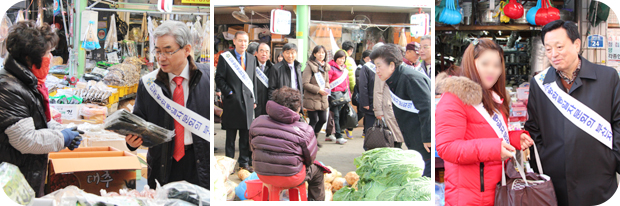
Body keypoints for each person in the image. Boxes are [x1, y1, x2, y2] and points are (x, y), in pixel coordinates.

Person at [524, 20, 620, 206]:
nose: (553, 54)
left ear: (576, 44)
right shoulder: (540, 83)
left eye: (559, 46)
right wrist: (545, 162)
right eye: (548, 49)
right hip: (556, 179)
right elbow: (533, 128)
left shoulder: (608, 77)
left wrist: (613, 160)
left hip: (599, 177)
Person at [435, 39, 534, 205]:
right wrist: (495, 149)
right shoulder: (453, 98)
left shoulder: (493, 96)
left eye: (497, 65)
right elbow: (447, 148)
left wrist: (514, 139)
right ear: (471, 63)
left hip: (496, 191)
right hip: (469, 196)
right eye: (485, 63)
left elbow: (486, 132)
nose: (492, 70)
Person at [124, 21, 211, 189]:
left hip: (199, 163)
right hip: (162, 165)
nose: (161, 58)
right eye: (157, 51)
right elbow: (138, 122)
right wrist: (131, 141)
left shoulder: (206, 78)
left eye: (168, 51)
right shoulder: (148, 84)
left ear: (187, 50)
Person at [0, 21, 82, 197]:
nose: (50, 58)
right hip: (12, 184)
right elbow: (25, 139)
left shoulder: (25, 82)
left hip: (25, 176)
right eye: (47, 53)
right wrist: (62, 138)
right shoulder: (8, 87)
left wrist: (62, 131)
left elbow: (36, 123)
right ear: (29, 58)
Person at [249, 87, 325, 201]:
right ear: (298, 107)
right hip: (291, 177)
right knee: (318, 171)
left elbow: (252, 148)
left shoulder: (257, 122)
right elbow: (310, 159)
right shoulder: (305, 129)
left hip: (262, 173)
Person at [371, 43, 433, 177]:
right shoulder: (394, 79)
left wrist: (428, 137)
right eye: (375, 66)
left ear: (392, 65)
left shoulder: (410, 78)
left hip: (424, 140)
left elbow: (426, 107)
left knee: (426, 174)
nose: (377, 70)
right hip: (413, 137)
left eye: (379, 66)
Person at [215, 31, 257, 172]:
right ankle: (229, 163)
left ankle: (244, 162)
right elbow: (219, 78)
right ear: (234, 41)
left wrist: (254, 98)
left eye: (245, 41)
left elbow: (253, 80)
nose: (243, 44)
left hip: (248, 101)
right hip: (232, 101)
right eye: (240, 41)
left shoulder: (251, 58)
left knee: (245, 135)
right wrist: (229, 92)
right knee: (231, 136)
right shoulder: (226, 57)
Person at [372, 43, 405, 148]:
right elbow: (378, 91)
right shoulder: (382, 70)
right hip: (387, 109)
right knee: (392, 137)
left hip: (397, 108)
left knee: (398, 137)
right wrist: (378, 111)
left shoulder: (400, 70)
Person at [303, 45, 330, 148]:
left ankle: (313, 139)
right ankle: (309, 142)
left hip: (322, 99)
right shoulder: (309, 66)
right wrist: (318, 90)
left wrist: (326, 88)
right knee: (313, 121)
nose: (321, 54)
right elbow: (305, 83)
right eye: (319, 52)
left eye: (323, 52)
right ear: (314, 54)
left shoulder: (325, 66)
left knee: (323, 119)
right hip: (312, 98)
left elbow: (327, 81)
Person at [326, 50, 351, 145]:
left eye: (343, 58)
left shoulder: (344, 69)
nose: (341, 60)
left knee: (335, 115)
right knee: (335, 115)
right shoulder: (331, 68)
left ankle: (328, 134)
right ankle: (338, 136)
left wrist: (348, 94)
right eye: (340, 58)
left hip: (342, 96)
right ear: (336, 58)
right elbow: (327, 81)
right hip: (333, 96)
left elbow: (347, 82)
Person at [358, 49, 377, 139]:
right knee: (370, 127)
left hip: (382, 104)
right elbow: (363, 86)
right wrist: (365, 103)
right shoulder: (367, 67)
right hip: (370, 102)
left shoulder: (385, 66)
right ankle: (368, 148)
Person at [342, 41, 357, 139]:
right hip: (345, 89)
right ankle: (347, 128)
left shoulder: (336, 56)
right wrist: (353, 89)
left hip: (337, 90)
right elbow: (351, 76)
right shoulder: (349, 59)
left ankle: (340, 129)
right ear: (350, 51)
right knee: (348, 110)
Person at [254, 43, 274, 117]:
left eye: (267, 52)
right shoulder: (251, 66)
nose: (264, 54)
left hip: (267, 103)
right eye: (261, 51)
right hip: (255, 103)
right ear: (256, 53)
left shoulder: (273, 68)